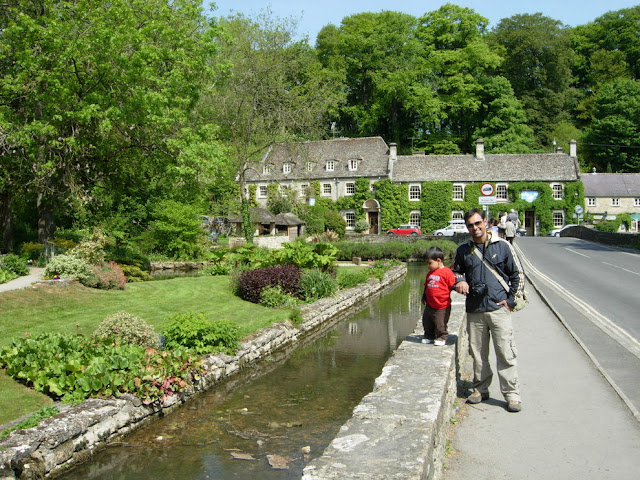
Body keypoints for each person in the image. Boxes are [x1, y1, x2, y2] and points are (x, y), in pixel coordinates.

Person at [452, 208, 526, 413]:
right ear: (466, 227)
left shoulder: (502, 246)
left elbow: (518, 274)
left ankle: (512, 395)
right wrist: (460, 281)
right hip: (475, 309)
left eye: (478, 223)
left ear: (485, 222)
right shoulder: (463, 250)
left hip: (498, 308)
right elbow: (455, 272)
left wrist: (510, 301)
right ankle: (480, 389)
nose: (475, 228)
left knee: (505, 353)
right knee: (478, 354)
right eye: (470, 225)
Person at [421, 246, 456, 346]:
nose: (428, 265)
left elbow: (452, 285)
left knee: (440, 323)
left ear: (438, 260)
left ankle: (442, 336)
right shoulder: (430, 273)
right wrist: (424, 296)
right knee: (427, 321)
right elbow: (426, 286)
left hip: (442, 305)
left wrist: (457, 287)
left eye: (430, 263)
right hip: (430, 304)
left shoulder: (447, 272)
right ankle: (429, 335)